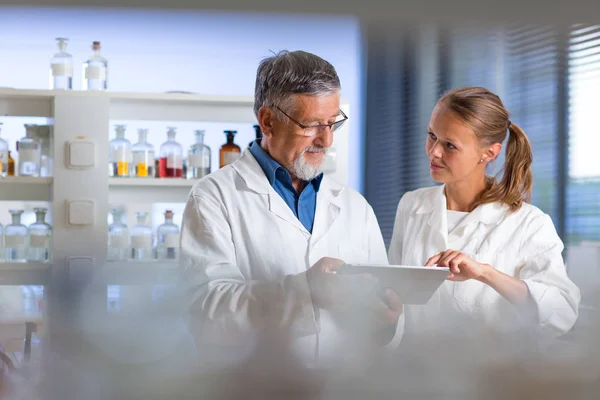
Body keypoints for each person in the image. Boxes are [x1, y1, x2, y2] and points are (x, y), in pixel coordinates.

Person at [179, 50, 403, 368]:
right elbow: (206, 312)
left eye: (332, 123)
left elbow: (380, 310)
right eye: (311, 125)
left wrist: (386, 324)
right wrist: (305, 292)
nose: (326, 140)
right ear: (268, 122)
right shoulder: (214, 197)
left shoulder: (355, 206)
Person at [388, 86, 580, 342]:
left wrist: (484, 273)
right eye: (431, 135)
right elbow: (394, 295)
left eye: (450, 145)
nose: (434, 151)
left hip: (492, 376)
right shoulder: (411, 205)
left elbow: (563, 312)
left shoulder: (528, 223)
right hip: (416, 373)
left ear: (489, 152)